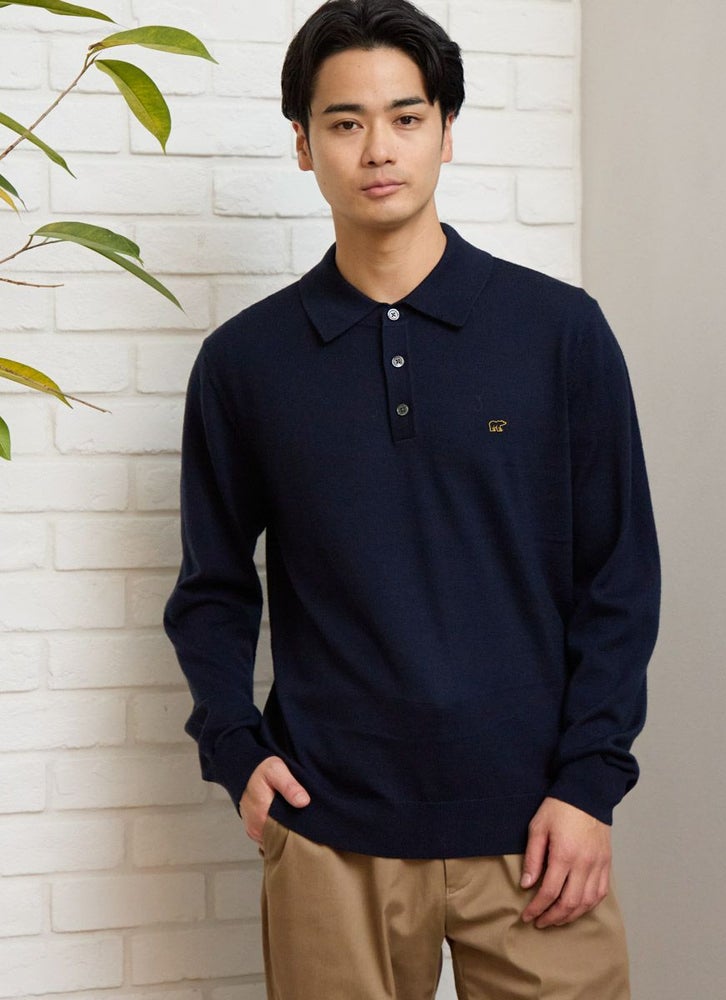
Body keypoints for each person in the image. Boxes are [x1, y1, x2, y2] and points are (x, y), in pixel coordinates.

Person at [164, 1, 660, 997]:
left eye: (405, 117)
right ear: (302, 144)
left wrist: (589, 782)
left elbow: (616, 576)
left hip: (539, 829)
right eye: (344, 122)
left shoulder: (558, 333)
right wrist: (235, 749)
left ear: (446, 131)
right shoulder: (245, 363)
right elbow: (212, 588)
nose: (378, 149)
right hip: (330, 830)